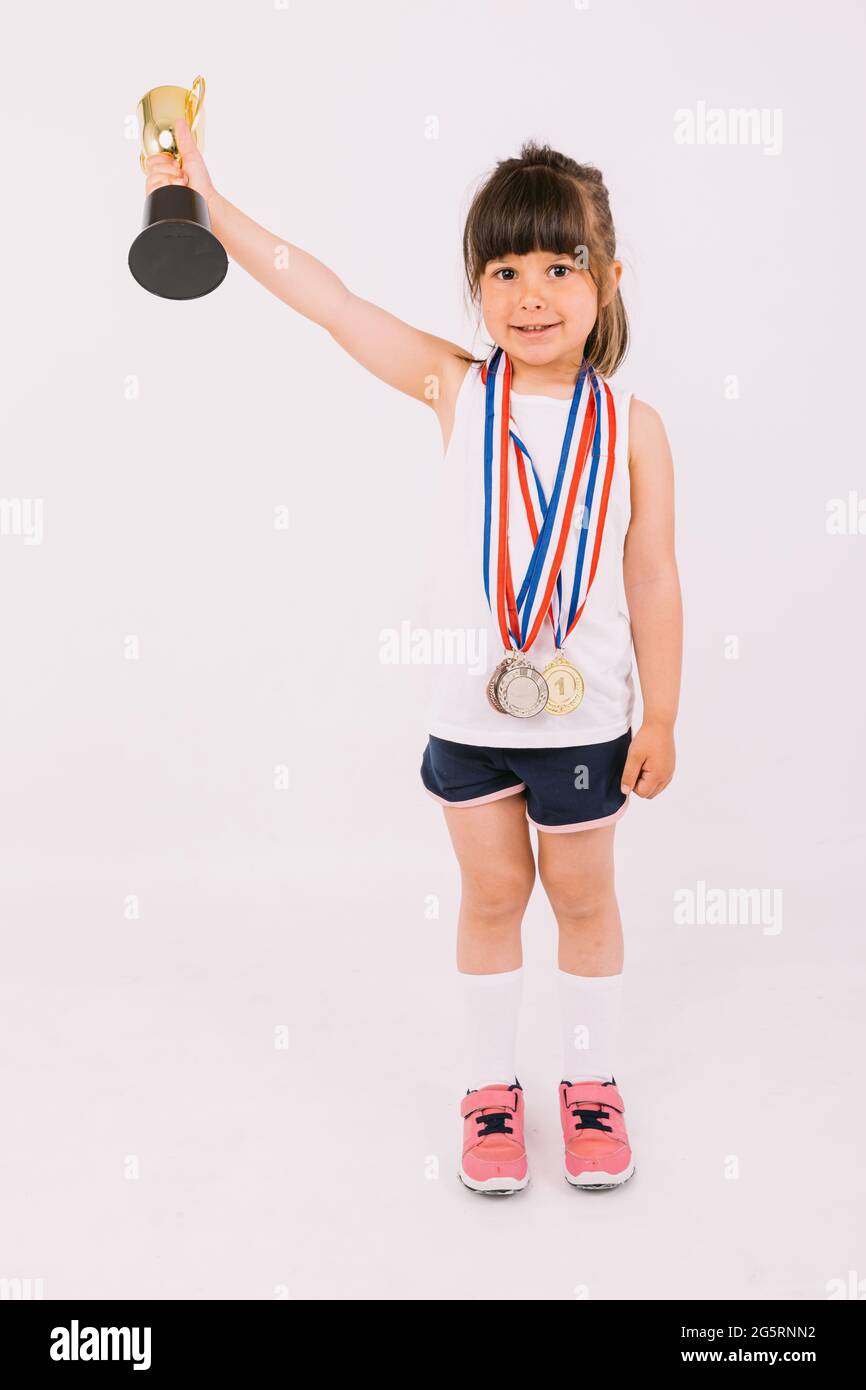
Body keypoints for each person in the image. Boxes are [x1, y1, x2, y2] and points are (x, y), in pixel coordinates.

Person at [144, 126, 682, 1196]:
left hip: (586, 722)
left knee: (581, 894)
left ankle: (589, 1081)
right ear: (475, 287)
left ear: (609, 279)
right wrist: (206, 197)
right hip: (471, 718)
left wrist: (659, 716)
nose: (531, 293)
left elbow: (654, 578)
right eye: (503, 270)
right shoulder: (453, 387)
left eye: (559, 267)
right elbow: (330, 300)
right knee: (490, 896)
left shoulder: (632, 424)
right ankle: (490, 1089)